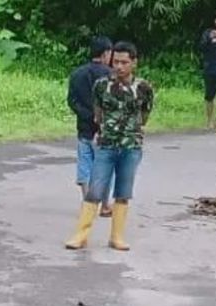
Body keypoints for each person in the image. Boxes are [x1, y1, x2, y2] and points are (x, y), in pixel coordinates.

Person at [64, 41, 154, 252]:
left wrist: (132, 130)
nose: (119, 67)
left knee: (123, 191)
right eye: (116, 62)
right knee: (95, 189)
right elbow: (98, 113)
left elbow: (144, 115)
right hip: (106, 144)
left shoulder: (143, 88)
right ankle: (81, 234)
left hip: (131, 146)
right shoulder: (102, 86)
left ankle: (117, 236)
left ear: (134, 63)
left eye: (124, 62)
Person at [67, 36, 114, 217]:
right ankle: (104, 204)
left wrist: (87, 115)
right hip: (104, 129)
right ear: (106, 53)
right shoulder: (110, 75)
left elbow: (72, 101)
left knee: (85, 164)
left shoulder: (77, 74)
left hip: (84, 128)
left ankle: (87, 202)